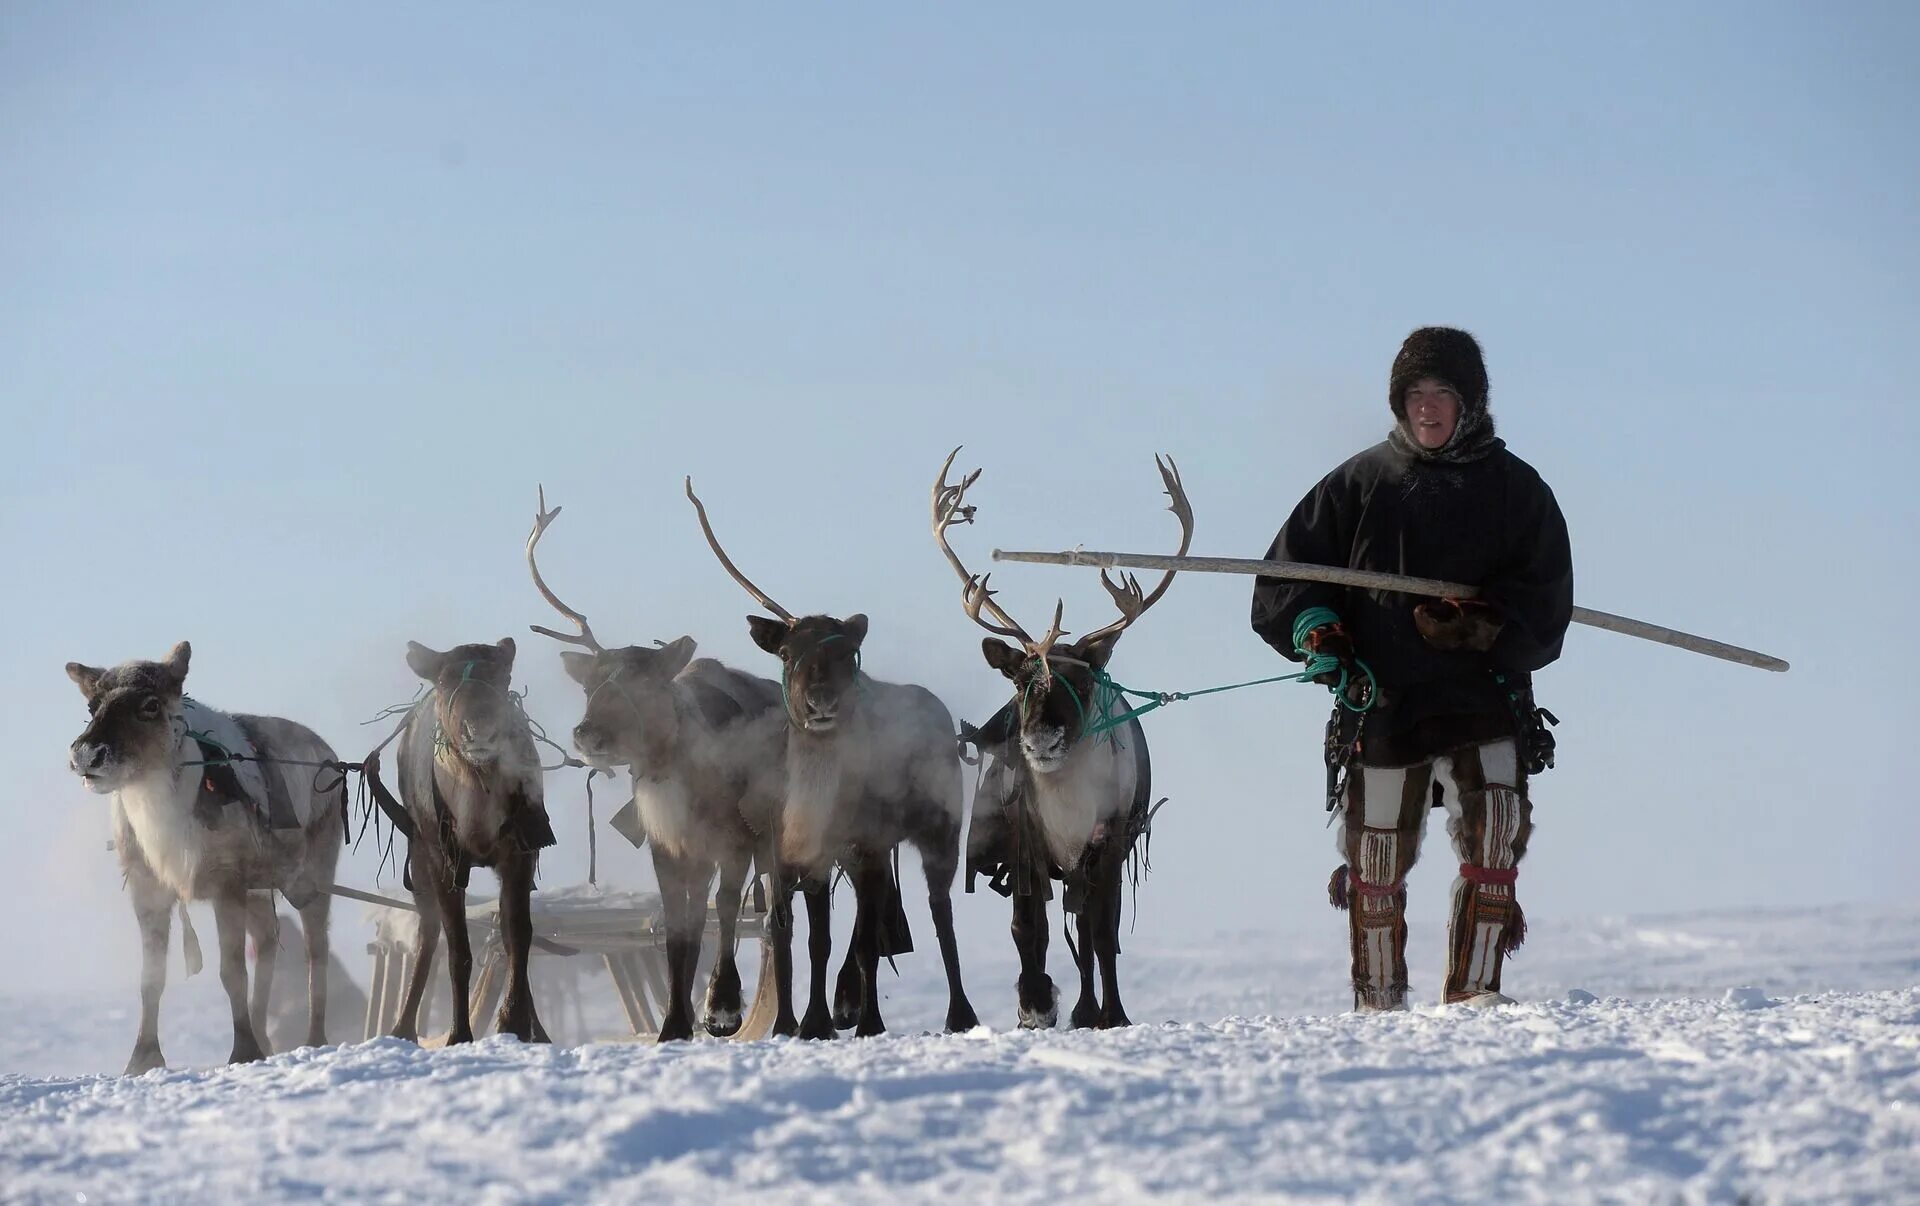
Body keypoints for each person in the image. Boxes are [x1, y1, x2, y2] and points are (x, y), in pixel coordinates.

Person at [1251, 327, 1573, 1010]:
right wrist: (1320, 633)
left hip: (1484, 698)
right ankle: (1378, 1010)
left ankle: (1476, 1001)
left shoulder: (1519, 493)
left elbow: (1548, 604)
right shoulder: (1359, 483)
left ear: (1472, 403)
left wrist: (1487, 624)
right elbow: (1285, 584)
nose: (1427, 409)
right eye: (1415, 395)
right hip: (1386, 699)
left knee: (1495, 838)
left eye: (1442, 395)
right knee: (1374, 863)